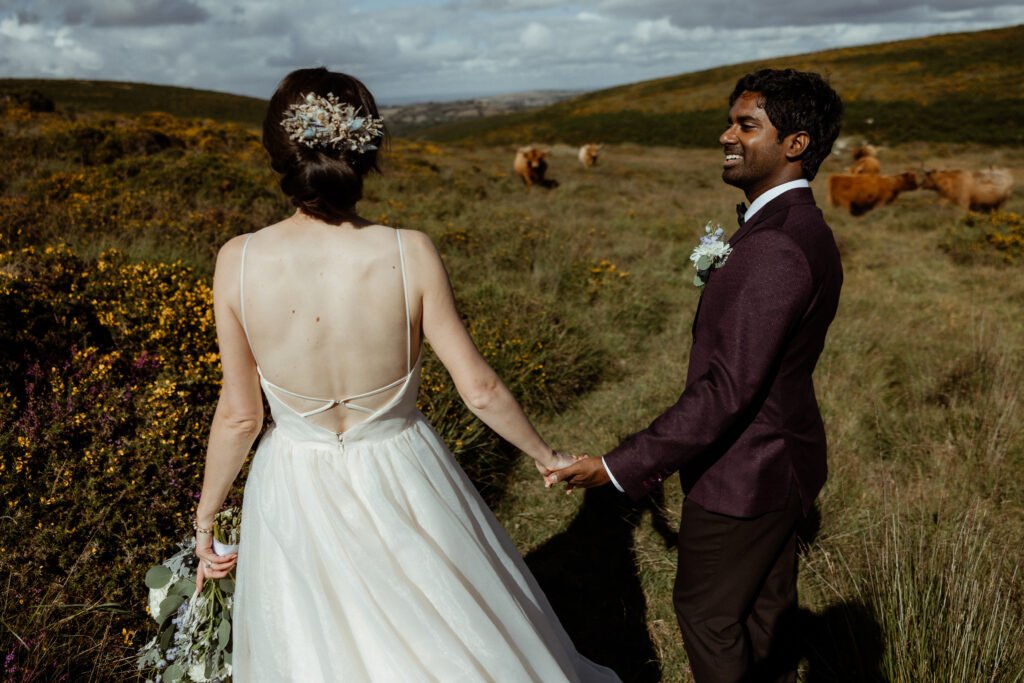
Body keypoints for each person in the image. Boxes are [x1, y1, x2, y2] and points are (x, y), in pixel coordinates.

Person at [191, 67, 621, 682]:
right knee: (444, 628)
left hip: (294, 482)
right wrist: (546, 456)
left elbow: (240, 415)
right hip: (402, 467)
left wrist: (206, 519)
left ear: (278, 153)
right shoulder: (408, 251)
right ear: (364, 150)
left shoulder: (237, 260)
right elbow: (479, 389)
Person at [547, 68, 844, 682]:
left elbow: (728, 389)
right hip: (782, 461)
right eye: (730, 122)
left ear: (795, 143)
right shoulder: (794, 227)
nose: (726, 136)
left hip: (748, 473)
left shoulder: (776, 245)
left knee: (709, 617)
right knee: (764, 620)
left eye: (746, 125)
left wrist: (616, 467)